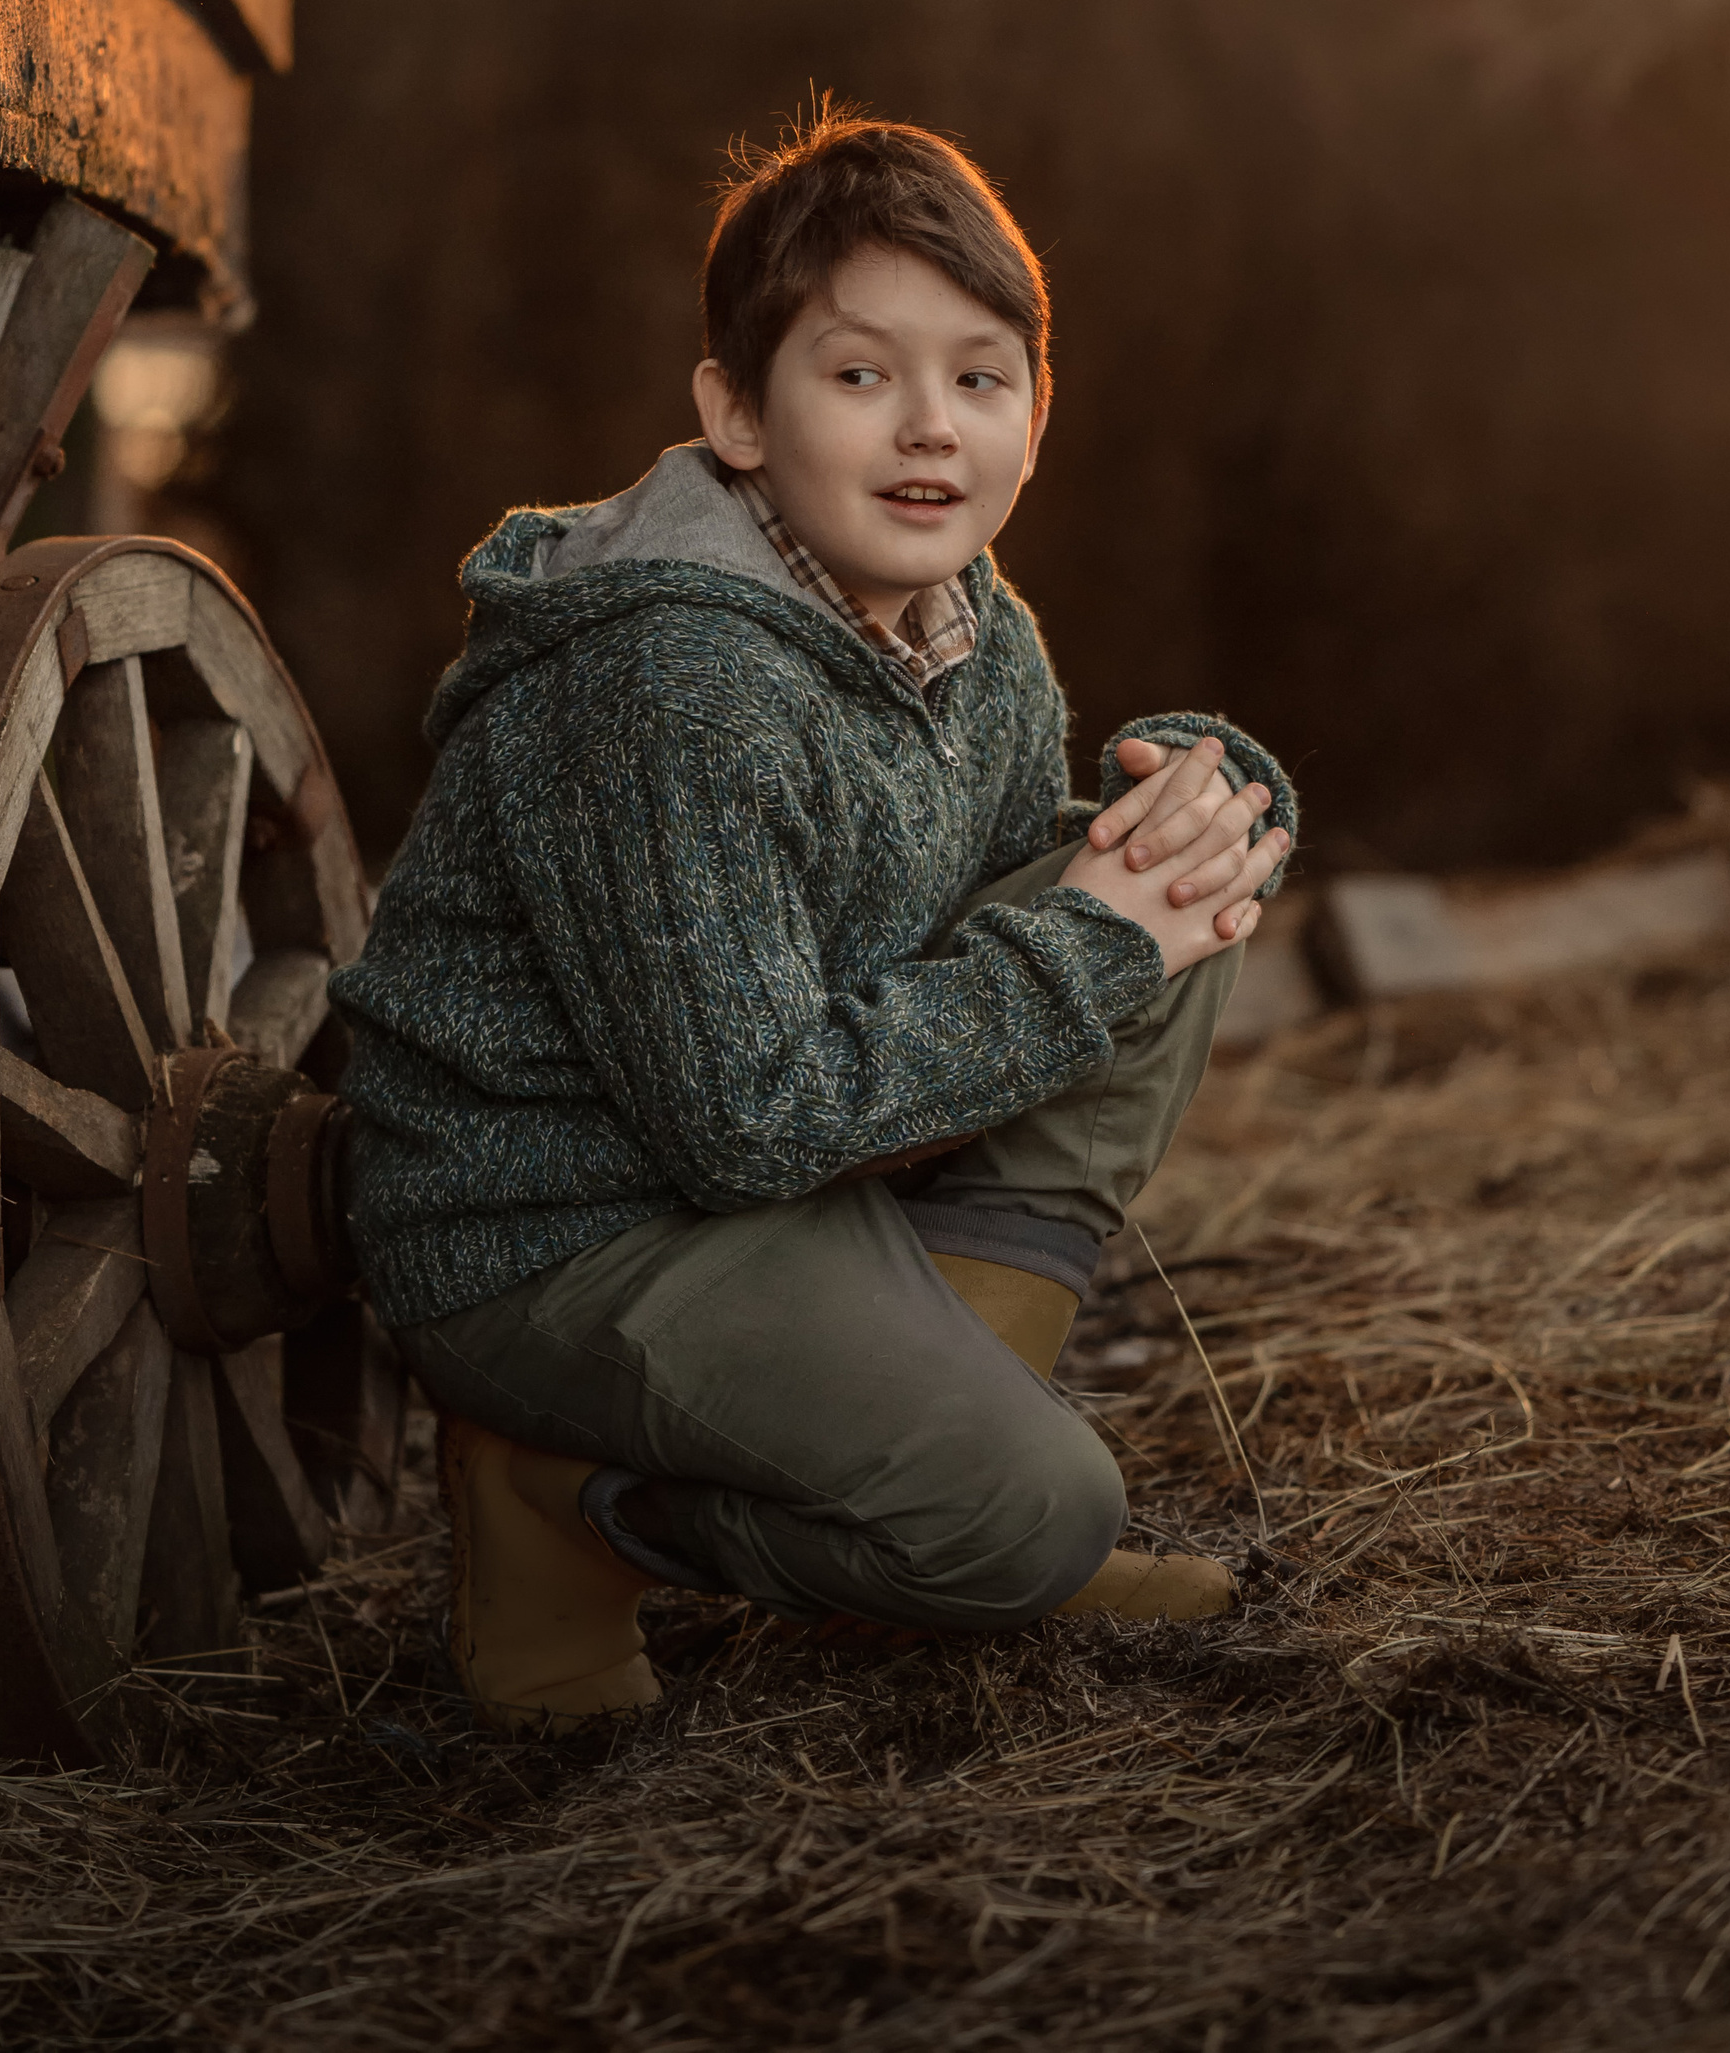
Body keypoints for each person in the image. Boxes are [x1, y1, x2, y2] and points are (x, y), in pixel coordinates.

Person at [330, 111, 1297, 1726]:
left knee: (1159, 899)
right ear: (737, 410)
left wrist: (1207, 797)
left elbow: (1006, 907)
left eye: (979, 380)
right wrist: (1093, 933)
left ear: (1037, 417)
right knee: (1038, 1511)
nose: (930, 429)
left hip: (773, 1162)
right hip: (561, 1227)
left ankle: (934, 1486)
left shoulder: (971, 626)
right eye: (861, 376)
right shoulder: (672, 686)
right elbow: (743, 1121)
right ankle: (569, 1507)